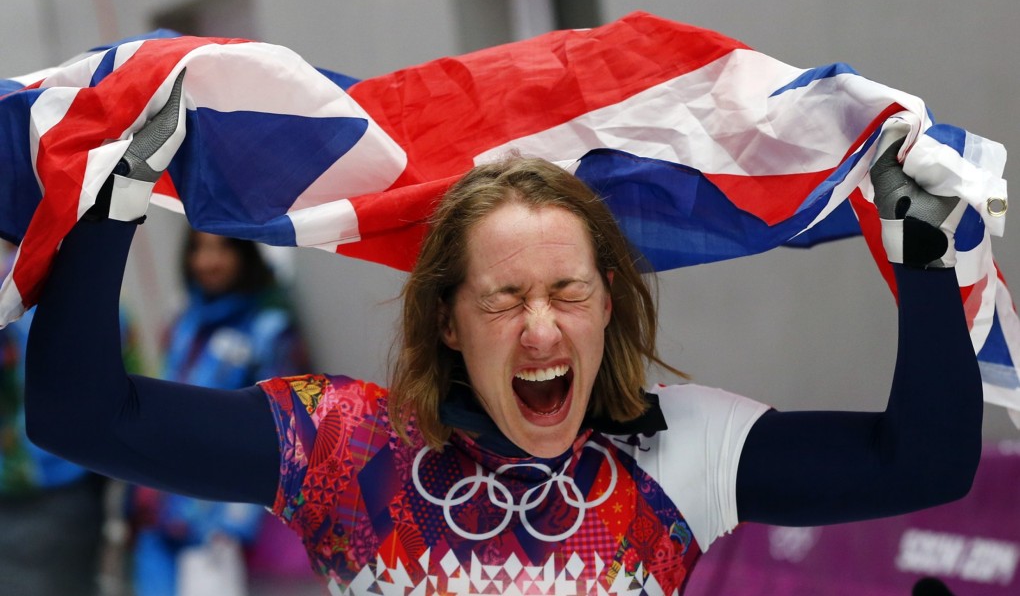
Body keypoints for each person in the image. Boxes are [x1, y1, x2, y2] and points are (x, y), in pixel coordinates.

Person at [23, 84, 982, 595]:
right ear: (445, 318)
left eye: (566, 290)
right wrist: (111, 206)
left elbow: (927, 463)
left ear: (608, 301)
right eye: (502, 297)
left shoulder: (684, 450)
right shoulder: (347, 446)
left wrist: (925, 257)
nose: (538, 328)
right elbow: (79, 415)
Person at [129, 229, 310, 596]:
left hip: (218, 528)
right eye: (199, 249)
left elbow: (284, 439)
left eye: (222, 248)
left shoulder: (270, 330)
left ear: (245, 254)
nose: (208, 262)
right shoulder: (184, 323)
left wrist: (232, 525)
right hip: (159, 515)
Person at [1, 242, 144, 596]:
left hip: (65, 484)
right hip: (49, 481)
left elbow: (130, 389)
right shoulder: (93, 298)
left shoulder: (91, 301)